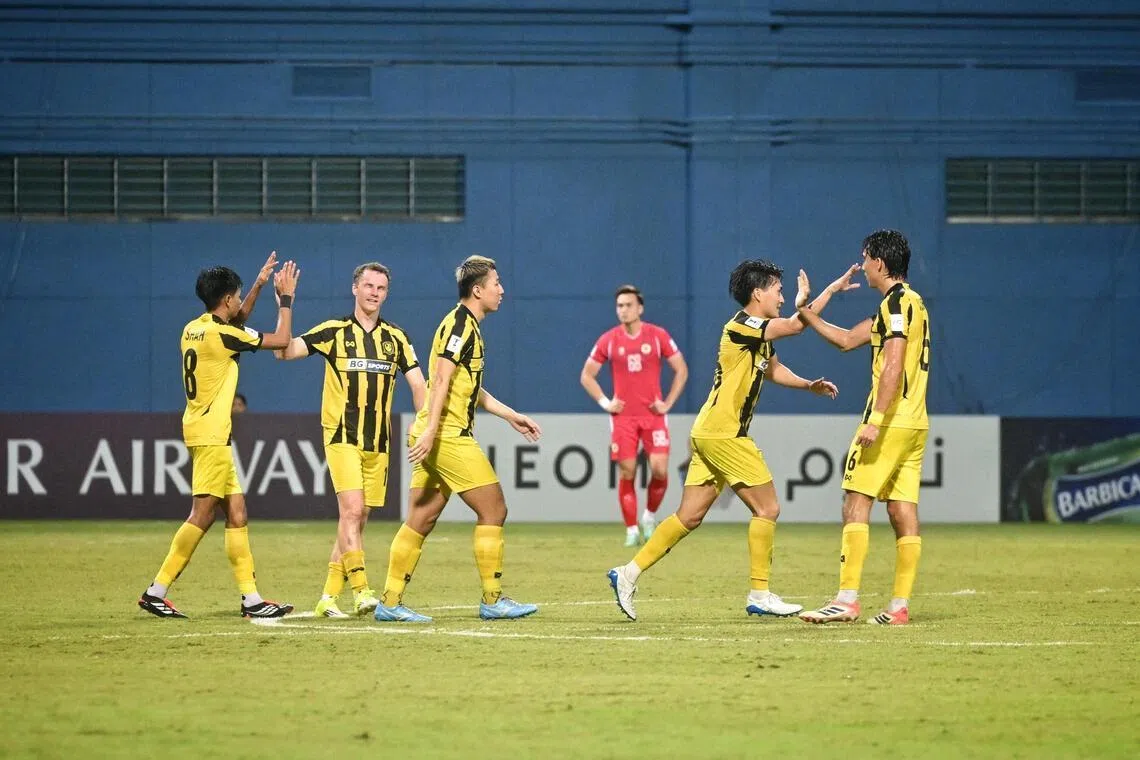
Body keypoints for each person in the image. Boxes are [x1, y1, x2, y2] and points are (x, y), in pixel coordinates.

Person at [607, 259, 859, 621]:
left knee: (688, 516)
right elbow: (794, 325)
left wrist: (807, 384)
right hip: (725, 433)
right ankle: (760, 592)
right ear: (758, 293)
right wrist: (825, 293)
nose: (783, 297)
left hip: (709, 431)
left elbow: (772, 368)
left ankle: (627, 574)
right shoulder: (741, 324)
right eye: (778, 290)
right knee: (767, 508)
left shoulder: (755, 332)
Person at [374, 255, 542, 623]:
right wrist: (433, 428)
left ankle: (389, 601)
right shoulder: (460, 326)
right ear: (477, 290)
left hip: (435, 432)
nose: (502, 289)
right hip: (447, 436)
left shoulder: (466, 325)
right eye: (496, 283)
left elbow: (470, 388)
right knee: (494, 509)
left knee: (422, 516)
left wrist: (510, 415)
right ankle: (493, 599)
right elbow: (443, 379)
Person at [138, 252, 299, 619]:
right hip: (211, 434)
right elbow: (283, 338)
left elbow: (236, 324)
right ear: (227, 299)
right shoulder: (221, 334)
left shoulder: (194, 328)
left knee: (237, 513)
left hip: (204, 429)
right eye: (238, 296)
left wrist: (257, 285)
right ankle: (156, 590)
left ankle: (251, 599)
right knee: (202, 515)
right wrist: (285, 298)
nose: (240, 302)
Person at [274, 262, 426, 618]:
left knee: (356, 521)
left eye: (381, 288)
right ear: (354, 288)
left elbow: (419, 385)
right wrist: (285, 301)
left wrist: (424, 420)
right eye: (369, 286)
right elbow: (284, 351)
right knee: (352, 511)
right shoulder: (334, 331)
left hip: (379, 441)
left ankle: (328, 597)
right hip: (342, 435)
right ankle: (361, 592)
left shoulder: (397, 338)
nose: (374, 293)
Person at [795, 230, 930, 626]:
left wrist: (875, 420)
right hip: (915, 422)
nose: (864, 264)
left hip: (889, 420)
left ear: (881, 264)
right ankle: (899, 607)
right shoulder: (911, 304)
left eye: (866, 258)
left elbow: (893, 362)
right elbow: (847, 339)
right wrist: (806, 311)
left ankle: (846, 599)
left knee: (856, 501)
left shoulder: (894, 305)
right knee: (902, 508)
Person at [580, 285, 688, 546]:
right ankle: (631, 530)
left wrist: (668, 402)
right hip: (624, 418)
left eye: (628, 305)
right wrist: (607, 402)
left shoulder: (657, 336)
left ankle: (649, 516)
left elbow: (681, 369)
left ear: (640, 308)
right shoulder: (609, 339)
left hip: (653, 415)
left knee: (660, 469)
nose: (624, 310)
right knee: (628, 472)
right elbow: (587, 375)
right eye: (619, 306)